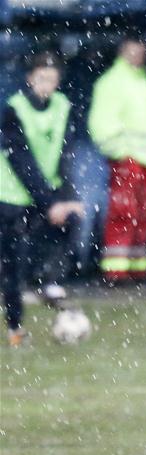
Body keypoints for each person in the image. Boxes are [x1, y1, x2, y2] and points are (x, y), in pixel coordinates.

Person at [0, 52, 83, 346]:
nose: (47, 84)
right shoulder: (15, 109)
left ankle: (50, 281)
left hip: (46, 194)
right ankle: (15, 329)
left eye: (52, 78)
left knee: (73, 221)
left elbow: (65, 155)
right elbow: (22, 162)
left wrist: (66, 198)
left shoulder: (63, 107)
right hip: (11, 195)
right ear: (30, 79)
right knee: (11, 265)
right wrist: (50, 202)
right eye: (41, 78)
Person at [88, 37, 146, 283]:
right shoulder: (112, 82)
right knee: (123, 211)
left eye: (141, 51)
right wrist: (120, 153)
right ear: (122, 52)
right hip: (127, 159)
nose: (137, 56)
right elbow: (101, 123)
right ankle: (115, 271)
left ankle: (136, 268)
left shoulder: (142, 82)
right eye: (133, 51)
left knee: (144, 213)